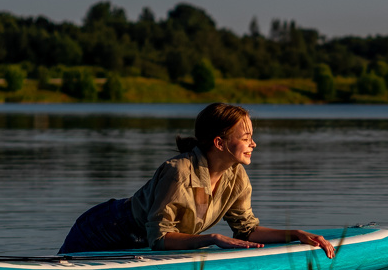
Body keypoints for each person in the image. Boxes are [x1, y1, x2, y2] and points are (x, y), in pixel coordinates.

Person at [57, 102, 335, 258]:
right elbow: (160, 239)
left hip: (138, 244)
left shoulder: (237, 178)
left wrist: (296, 234)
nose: (254, 144)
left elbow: (247, 231)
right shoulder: (177, 172)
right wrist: (212, 239)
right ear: (220, 142)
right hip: (102, 229)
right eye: (246, 138)